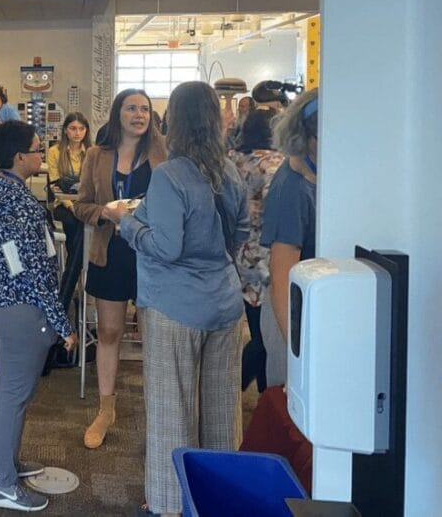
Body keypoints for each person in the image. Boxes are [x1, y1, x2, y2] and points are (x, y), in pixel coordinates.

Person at [110, 81, 248, 517]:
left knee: (172, 410)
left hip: (174, 306)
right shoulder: (229, 172)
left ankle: (169, 506)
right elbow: (240, 233)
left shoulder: (170, 174)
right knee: (222, 413)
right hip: (225, 303)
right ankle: (218, 501)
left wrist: (127, 224)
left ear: (175, 122)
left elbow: (166, 247)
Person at [0, 121, 77, 512]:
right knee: (14, 394)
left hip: (4, 298)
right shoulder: (16, 200)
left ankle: (1, 465)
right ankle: (2, 485)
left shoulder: (0, 189)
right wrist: (60, 322)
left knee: (6, 388)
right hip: (21, 305)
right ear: (19, 157)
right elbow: (32, 270)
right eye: (38, 149)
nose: (42, 154)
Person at [73, 89, 167, 450]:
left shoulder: (164, 156)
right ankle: (105, 409)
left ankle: (159, 407)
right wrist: (106, 213)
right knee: (109, 332)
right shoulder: (97, 156)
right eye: (131, 108)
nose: (139, 115)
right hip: (109, 253)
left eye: (144, 109)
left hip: (152, 256)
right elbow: (80, 205)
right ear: (118, 114)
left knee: (153, 335)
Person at [261, 88, 318, 388]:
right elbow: (282, 275)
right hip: (290, 312)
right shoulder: (292, 188)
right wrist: (295, 346)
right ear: (308, 137)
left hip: (311, 305)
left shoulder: (317, 175)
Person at [229, 97, 285, 393]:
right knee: (267, 336)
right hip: (266, 256)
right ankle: (233, 387)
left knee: (256, 330)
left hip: (237, 253)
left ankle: (263, 396)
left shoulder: (231, 161)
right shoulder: (275, 165)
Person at [47, 112, 92, 277]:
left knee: (87, 225)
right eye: (73, 128)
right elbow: (55, 185)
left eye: (81, 128)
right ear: (65, 130)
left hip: (86, 204)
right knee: (74, 223)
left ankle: (73, 274)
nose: (77, 133)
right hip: (63, 204)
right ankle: (77, 272)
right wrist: (72, 207)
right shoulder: (54, 152)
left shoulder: (92, 152)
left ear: (86, 131)